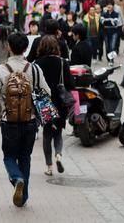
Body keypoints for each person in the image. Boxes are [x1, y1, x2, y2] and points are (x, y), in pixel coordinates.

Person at [0, 32, 50, 207]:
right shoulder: (35, 69)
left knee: (9, 156)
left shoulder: (0, 70)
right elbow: (47, 92)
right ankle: (23, 196)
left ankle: (16, 178)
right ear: (26, 48)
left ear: (9, 47)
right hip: (30, 120)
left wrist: (0, 117)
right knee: (25, 156)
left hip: (8, 121)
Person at [34, 36, 74, 176]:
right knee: (58, 133)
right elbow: (70, 84)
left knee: (47, 134)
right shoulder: (63, 62)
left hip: (45, 102)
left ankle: (49, 167)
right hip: (61, 103)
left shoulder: (37, 63)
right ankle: (58, 155)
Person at [101, 1, 120, 66]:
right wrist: (111, 20)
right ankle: (108, 59)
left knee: (112, 47)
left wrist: (107, 20)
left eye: (110, 5)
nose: (109, 6)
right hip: (106, 32)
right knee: (107, 47)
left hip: (114, 32)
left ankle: (111, 60)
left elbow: (115, 23)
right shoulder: (103, 13)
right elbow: (102, 22)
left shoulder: (116, 13)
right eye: (108, 5)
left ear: (113, 6)